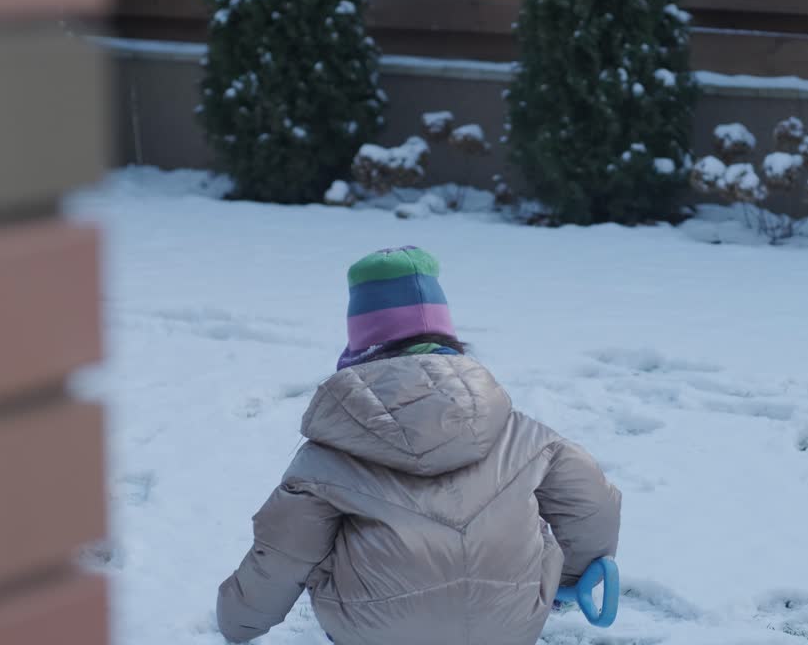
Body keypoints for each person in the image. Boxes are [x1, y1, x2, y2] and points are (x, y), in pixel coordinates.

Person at [216, 246, 622, 645]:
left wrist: (239, 622)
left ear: (361, 345)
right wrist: (569, 581)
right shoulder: (526, 436)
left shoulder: (326, 458)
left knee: (319, 536)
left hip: (373, 631)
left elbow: (283, 554)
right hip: (511, 625)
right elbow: (592, 507)